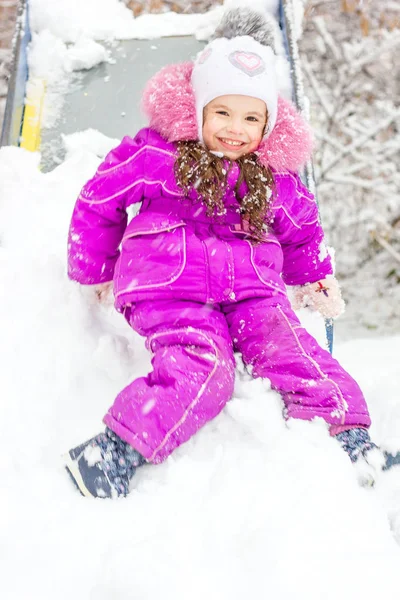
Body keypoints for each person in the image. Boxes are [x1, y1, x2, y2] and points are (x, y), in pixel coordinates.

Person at [64, 7, 389, 499]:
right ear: (199, 109)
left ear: (268, 123)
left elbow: (302, 231)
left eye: (251, 117)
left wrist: (315, 276)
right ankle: (112, 450)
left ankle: (354, 440)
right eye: (222, 112)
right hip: (170, 286)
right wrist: (93, 269)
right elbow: (98, 198)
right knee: (204, 366)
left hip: (253, 294)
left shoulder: (278, 179)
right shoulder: (159, 155)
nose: (235, 128)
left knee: (298, 352)